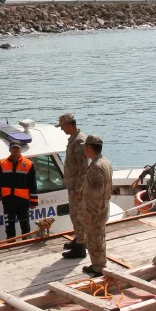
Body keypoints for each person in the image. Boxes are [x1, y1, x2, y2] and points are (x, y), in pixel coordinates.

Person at [56, 113, 89, 260]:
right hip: (73, 184)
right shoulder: (73, 139)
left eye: (62, 126)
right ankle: (79, 239)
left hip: (77, 186)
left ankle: (80, 248)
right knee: (74, 213)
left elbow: (84, 168)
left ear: (69, 124)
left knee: (77, 215)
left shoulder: (79, 141)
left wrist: (79, 188)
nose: (62, 129)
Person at [0, 141, 39, 239]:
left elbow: (33, 184)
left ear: (21, 150)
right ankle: (10, 245)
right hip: (8, 201)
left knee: (25, 226)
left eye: (17, 148)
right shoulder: (2, 164)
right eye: (13, 148)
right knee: (9, 226)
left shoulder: (29, 164)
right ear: (10, 150)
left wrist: (33, 201)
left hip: (23, 201)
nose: (15, 150)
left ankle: (25, 244)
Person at [80, 135, 113, 276]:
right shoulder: (105, 162)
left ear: (89, 147)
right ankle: (97, 264)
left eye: (85, 147)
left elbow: (96, 194)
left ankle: (99, 268)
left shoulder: (96, 168)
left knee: (95, 239)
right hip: (103, 207)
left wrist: (89, 213)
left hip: (95, 211)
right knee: (98, 236)